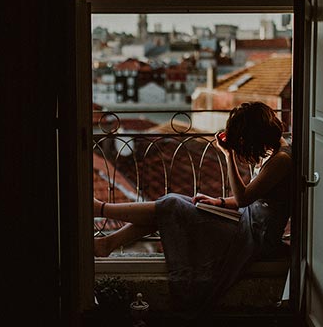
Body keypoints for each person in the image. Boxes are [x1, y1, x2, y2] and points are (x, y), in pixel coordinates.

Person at [93, 101, 294, 323]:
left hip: (253, 239)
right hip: (245, 223)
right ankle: (108, 243)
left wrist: (228, 156)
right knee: (174, 206)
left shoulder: (282, 160)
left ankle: (102, 210)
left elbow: (244, 197)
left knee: (172, 205)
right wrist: (218, 201)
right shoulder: (277, 150)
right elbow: (252, 198)